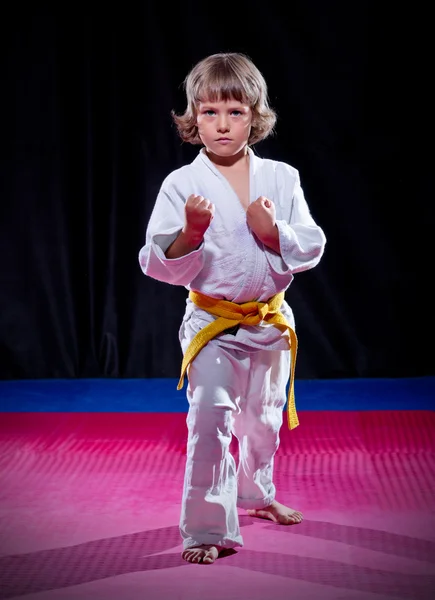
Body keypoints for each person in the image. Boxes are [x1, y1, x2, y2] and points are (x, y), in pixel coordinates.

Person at [138, 52, 326, 565]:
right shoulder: (181, 184)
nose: (222, 125)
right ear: (193, 117)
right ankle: (203, 529)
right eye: (209, 112)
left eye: (235, 112)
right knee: (209, 419)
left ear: (256, 114)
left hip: (268, 319)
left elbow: (311, 244)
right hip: (212, 324)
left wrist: (274, 234)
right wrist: (190, 235)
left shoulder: (282, 179)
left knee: (263, 421)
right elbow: (156, 261)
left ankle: (256, 496)